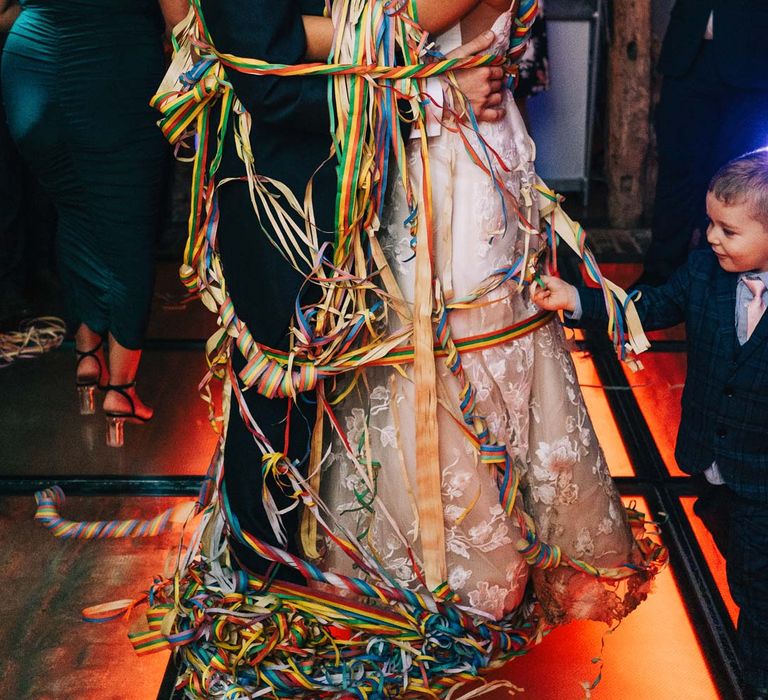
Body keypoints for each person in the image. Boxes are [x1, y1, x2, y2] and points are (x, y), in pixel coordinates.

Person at [137, 1, 663, 694]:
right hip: (403, 152)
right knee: (383, 355)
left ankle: (457, 565)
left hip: (451, 163)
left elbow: (379, 32)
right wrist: (431, 81)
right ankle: (362, 550)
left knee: (455, 352)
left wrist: (432, 83)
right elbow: (325, 37)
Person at [532, 148, 768, 700]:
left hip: (763, 473)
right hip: (711, 463)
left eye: (728, 230)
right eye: (710, 222)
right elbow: (650, 306)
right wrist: (579, 300)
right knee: (738, 552)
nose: (711, 237)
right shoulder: (706, 272)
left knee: (758, 592)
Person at [0, 0, 187, 444]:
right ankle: (120, 391)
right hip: (114, 69)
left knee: (76, 211)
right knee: (128, 227)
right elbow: (179, 18)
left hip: (30, 66)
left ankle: (88, 357)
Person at [641, 0, 768, 285]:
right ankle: (659, 275)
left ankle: (713, 279)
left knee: (734, 179)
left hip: (752, 59)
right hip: (689, 55)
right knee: (676, 169)